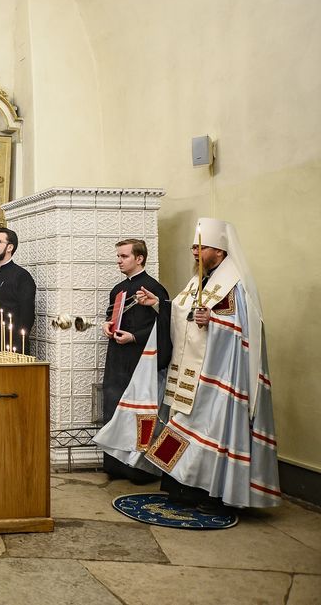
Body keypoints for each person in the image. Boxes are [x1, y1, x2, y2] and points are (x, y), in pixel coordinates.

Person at [96, 218, 280, 509]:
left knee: (208, 431)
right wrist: (158, 304)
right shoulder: (198, 281)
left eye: (200, 247)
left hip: (218, 377)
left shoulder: (234, 285)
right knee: (180, 425)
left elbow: (246, 331)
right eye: (193, 247)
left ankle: (210, 495)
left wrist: (215, 321)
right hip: (189, 374)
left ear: (219, 250)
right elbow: (182, 314)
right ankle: (180, 489)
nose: (194, 251)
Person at [99, 239, 169, 483]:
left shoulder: (154, 289)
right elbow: (111, 316)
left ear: (139, 258)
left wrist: (134, 337)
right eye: (118, 256)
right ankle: (115, 466)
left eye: (124, 256)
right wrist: (107, 325)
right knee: (114, 407)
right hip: (117, 358)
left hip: (141, 360)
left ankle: (138, 470)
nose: (119, 260)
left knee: (138, 414)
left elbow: (164, 325)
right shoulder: (118, 289)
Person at [0, 228, 36, 353]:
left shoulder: (21, 276)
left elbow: (27, 314)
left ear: (10, 247)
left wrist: (16, 341)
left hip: (11, 344)